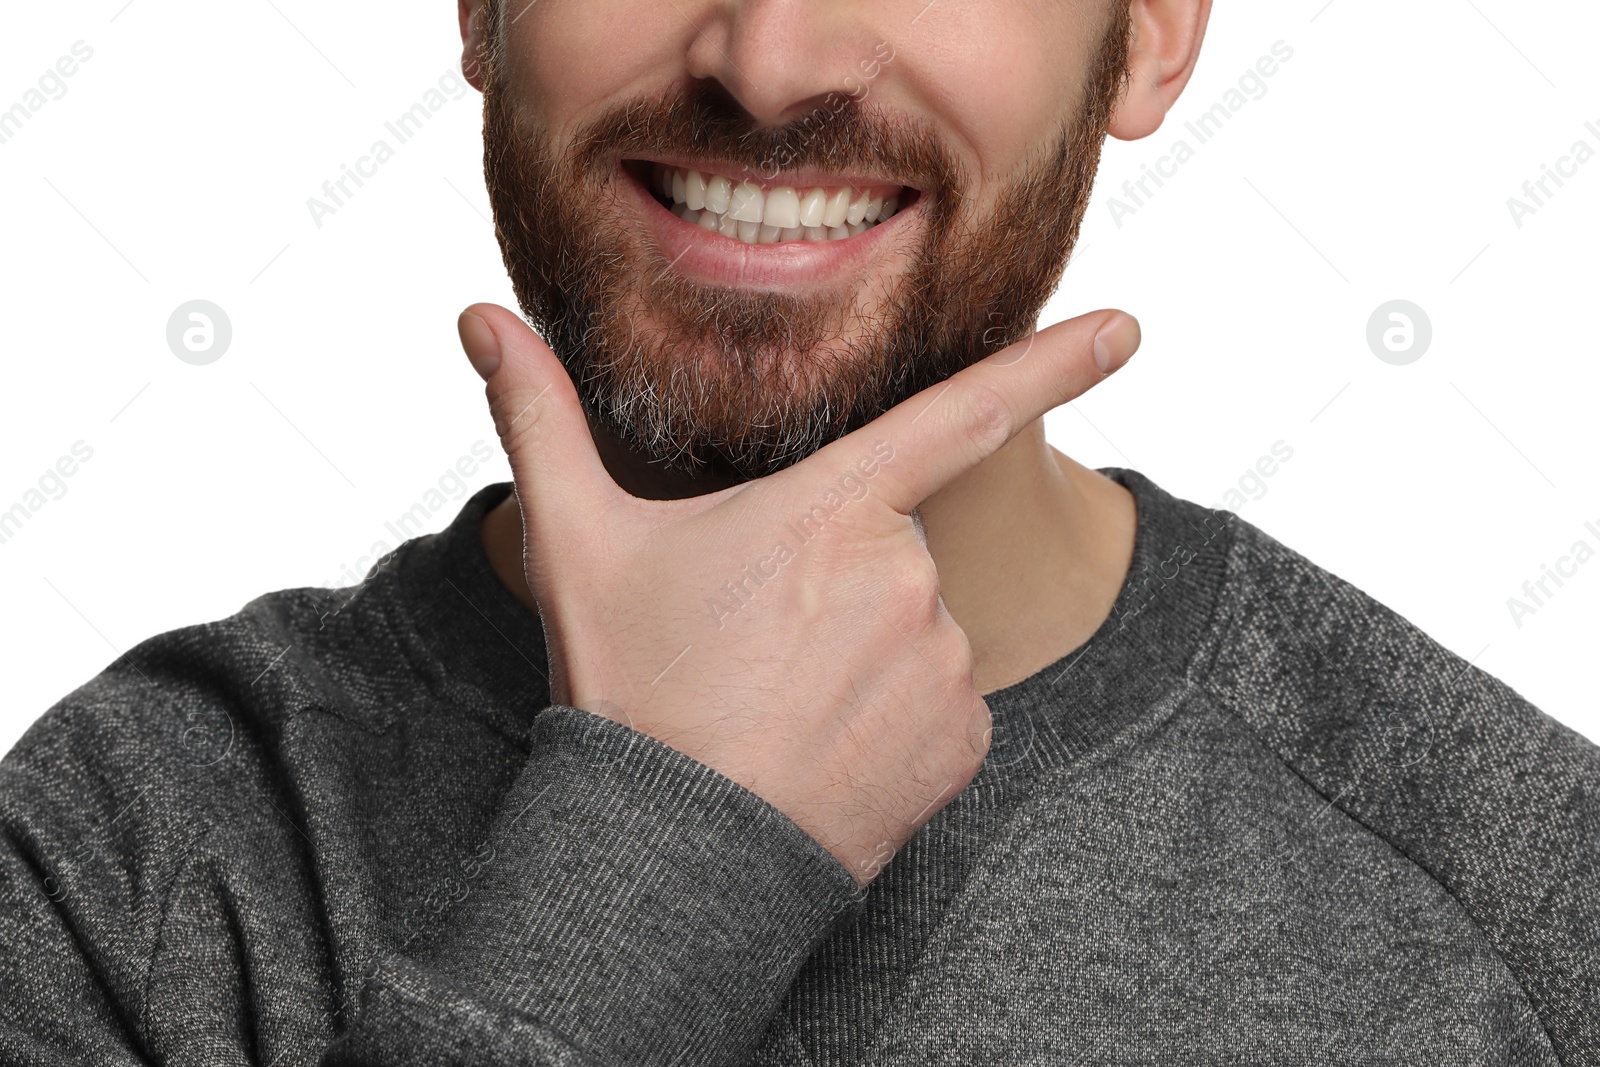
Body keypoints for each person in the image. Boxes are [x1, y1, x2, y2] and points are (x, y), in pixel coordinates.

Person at [3, 0, 1596, 1063]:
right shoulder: (125, 862)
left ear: (1151, 33)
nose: (765, 60)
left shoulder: (1526, 905)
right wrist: (655, 866)